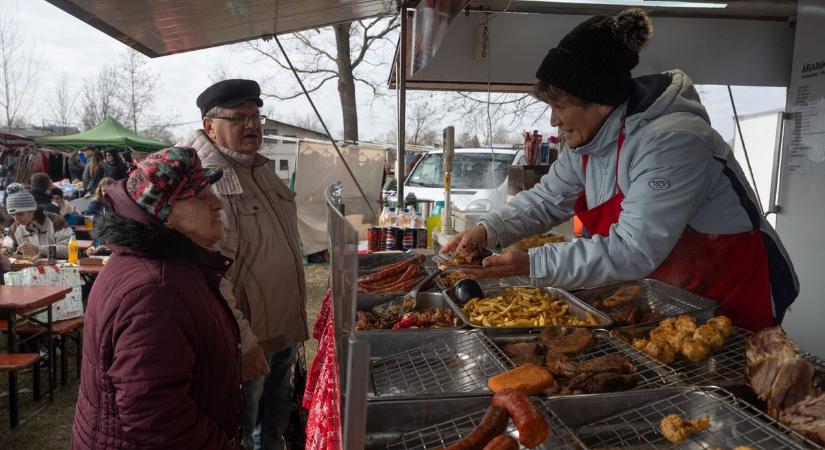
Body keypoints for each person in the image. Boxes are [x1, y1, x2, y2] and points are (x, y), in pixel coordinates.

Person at [443, 8, 797, 332]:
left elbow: (633, 249)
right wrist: (489, 230)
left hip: (734, 291)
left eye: (560, 106)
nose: (553, 119)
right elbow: (546, 199)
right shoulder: (588, 142)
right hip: (673, 295)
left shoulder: (672, 141)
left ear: (599, 102)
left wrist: (532, 263)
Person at [71, 147, 242, 449]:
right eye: (201, 196)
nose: (217, 203)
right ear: (163, 215)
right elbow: (157, 418)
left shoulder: (167, 266)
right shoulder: (155, 289)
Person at [178, 79, 307, 450]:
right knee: (241, 429)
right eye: (238, 118)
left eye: (255, 116)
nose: (251, 126)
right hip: (247, 336)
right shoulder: (205, 178)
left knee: (274, 425)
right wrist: (244, 343)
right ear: (209, 126)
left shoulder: (258, 166)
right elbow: (210, 275)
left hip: (280, 328)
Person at [6, 183, 71, 259]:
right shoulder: (14, 228)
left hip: (57, 267)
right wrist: (12, 253)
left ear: (33, 210)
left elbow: (70, 249)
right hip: (26, 269)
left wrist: (39, 249)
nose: (16, 219)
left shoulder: (56, 221)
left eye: (20, 214)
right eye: (13, 215)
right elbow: (10, 253)